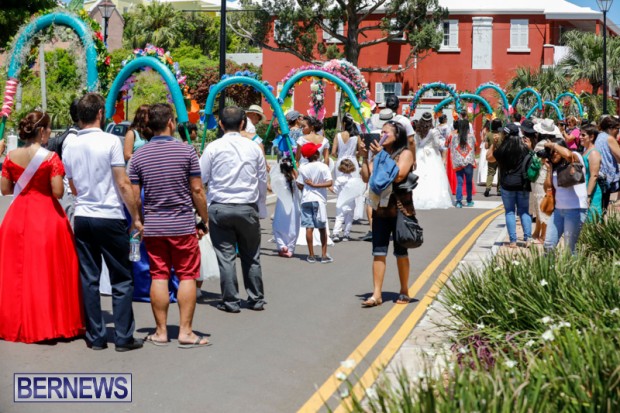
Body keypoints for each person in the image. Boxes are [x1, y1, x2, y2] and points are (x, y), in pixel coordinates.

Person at [63, 93, 144, 351]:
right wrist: (135, 217)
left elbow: (72, 185)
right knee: (121, 277)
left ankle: (96, 336)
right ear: (100, 113)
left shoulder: (70, 144)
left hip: (83, 215)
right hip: (109, 214)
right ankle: (123, 336)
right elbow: (122, 182)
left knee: (89, 277)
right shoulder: (110, 141)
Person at [129, 104, 210, 348]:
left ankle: (161, 332)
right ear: (170, 123)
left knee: (159, 275)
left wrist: (137, 220)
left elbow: (134, 196)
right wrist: (204, 219)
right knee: (187, 275)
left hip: (154, 226)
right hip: (182, 225)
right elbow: (197, 189)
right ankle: (185, 332)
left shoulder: (139, 156)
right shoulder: (187, 151)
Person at [0, 111, 84, 343]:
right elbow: (57, 191)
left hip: (17, 217)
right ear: (41, 131)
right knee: (46, 271)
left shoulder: (11, 156)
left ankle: (15, 321)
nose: (49, 133)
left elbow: (5, 189)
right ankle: (47, 322)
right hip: (45, 217)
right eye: (47, 129)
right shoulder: (51, 158)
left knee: (18, 271)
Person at [200, 106, 267, 313]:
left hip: (220, 207)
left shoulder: (213, 147)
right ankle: (256, 298)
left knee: (226, 256)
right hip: (247, 206)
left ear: (220, 124)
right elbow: (262, 180)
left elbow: (201, 178)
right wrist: (261, 208)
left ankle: (231, 300)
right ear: (242, 124)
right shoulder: (254, 147)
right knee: (251, 255)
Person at [360, 121, 415, 307]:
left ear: (397, 135)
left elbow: (399, 175)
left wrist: (381, 155)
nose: (381, 135)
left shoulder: (405, 154)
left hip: (400, 209)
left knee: (401, 252)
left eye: (386, 132)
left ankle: (404, 290)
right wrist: (364, 157)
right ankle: (376, 294)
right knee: (378, 252)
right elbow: (366, 176)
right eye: (380, 132)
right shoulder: (379, 154)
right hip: (380, 209)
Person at [488, 123, 532, 248]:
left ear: (506, 134)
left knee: (510, 212)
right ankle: (528, 238)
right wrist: (530, 148)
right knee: (524, 211)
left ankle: (513, 241)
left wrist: (493, 144)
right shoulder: (524, 148)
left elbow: (489, 158)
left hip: (507, 184)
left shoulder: (502, 149)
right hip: (522, 183)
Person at [542, 138, 588, 254]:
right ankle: (549, 266)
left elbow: (568, 155)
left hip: (575, 210)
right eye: (551, 152)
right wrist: (549, 169)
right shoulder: (555, 168)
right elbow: (547, 188)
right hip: (558, 211)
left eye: (555, 151)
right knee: (548, 245)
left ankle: (573, 266)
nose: (553, 154)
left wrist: (552, 145)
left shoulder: (575, 159)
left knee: (570, 248)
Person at [297, 143, 334, 263]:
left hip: (306, 199)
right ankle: (324, 255)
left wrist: (307, 187)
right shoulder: (323, 166)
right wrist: (316, 185)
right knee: (322, 228)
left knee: (309, 227)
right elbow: (329, 182)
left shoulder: (303, 167)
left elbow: (299, 183)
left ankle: (311, 255)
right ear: (316, 154)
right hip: (319, 200)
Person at [412, 112, 453, 209]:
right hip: (432, 153)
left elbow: (416, 143)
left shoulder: (418, 131)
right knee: (433, 175)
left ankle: (417, 197)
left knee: (420, 174)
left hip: (420, 153)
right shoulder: (433, 131)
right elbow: (437, 144)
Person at [529, 119, 553, 243]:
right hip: (546, 176)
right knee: (541, 204)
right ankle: (537, 231)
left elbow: (536, 159)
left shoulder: (541, 144)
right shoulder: (552, 143)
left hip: (540, 178)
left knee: (540, 205)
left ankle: (543, 234)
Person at [272, 157, 300, 257]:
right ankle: (290, 249)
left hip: (282, 206)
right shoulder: (295, 180)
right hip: (293, 207)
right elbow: (299, 177)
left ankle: (282, 246)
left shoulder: (279, 179)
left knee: (278, 226)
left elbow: (271, 187)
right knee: (293, 227)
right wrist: (293, 169)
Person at [448, 113, 477, 208]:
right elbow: (475, 147)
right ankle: (469, 200)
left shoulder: (454, 137)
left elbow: (448, 146)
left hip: (458, 162)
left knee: (459, 183)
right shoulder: (472, 136)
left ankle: (459, 201)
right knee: (468, 182)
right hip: (469, 162)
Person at [595, 116, 620, 211]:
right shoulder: (610, 139)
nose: (618, 131)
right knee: (603, 207)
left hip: (598, 175)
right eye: (617, 128)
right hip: (606, 177)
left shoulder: (599, 136)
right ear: (610, 128)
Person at [580, 126, 603, 221]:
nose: (580, 137)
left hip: (592, 193)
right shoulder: (586, 150)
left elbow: (594, 176)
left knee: (591, 222)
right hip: (585, 191)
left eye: (583, 135)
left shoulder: (593, 153)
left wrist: (588, 195)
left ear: (591, 137)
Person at [331, 159, 357, 242]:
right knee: (349, 218)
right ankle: (346, 234)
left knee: (339, 217)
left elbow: (335, 191)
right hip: (351, 201)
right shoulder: (354, 179)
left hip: (341, 201)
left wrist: (329, 187)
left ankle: (336, 233)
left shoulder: (339, 179)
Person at [483, 119, 503, 197]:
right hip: (501, 156)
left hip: (492, 155)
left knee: (490, 172)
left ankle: (488, 188)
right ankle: (499, 190)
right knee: (500, 173)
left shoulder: (488, 134)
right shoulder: (502, 134)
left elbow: (486, 146)